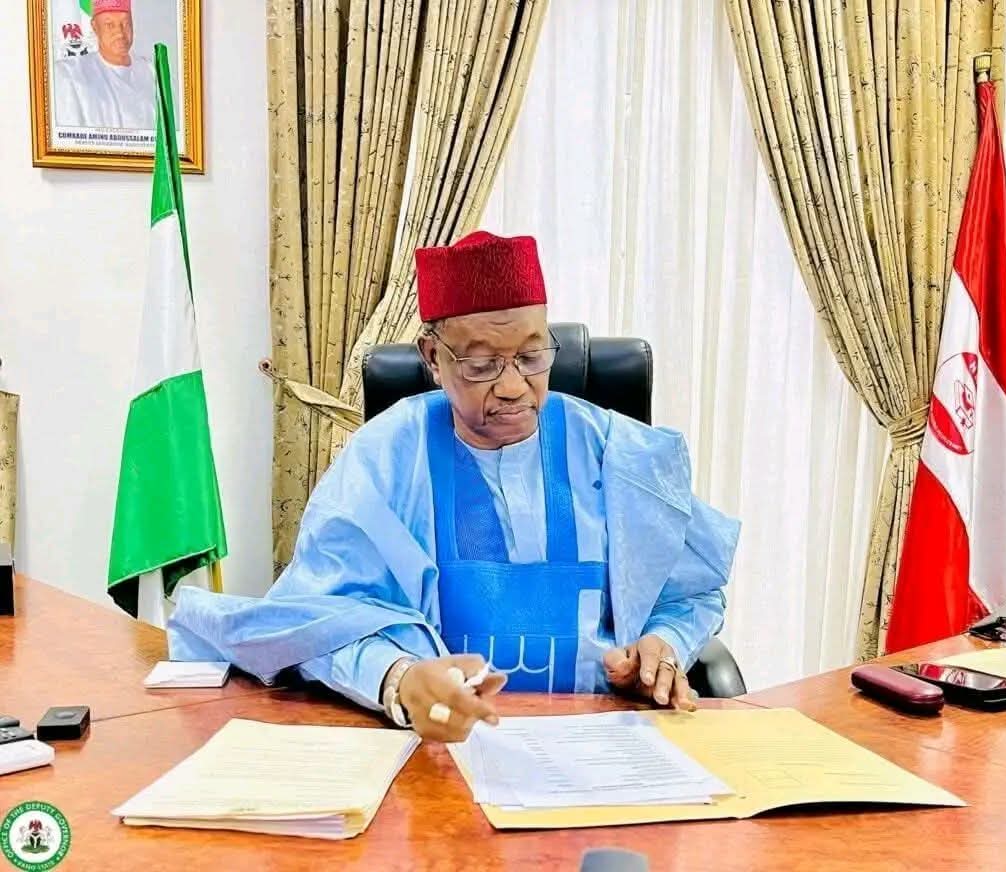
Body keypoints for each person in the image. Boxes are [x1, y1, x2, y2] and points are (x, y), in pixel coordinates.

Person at [168, 231, 740, 743]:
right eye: (482, 365)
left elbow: (689, 593)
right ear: (433, 359)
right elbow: (317, 619)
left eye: (532, 356)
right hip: (434, 747)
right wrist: (399, 679)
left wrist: (661, 646)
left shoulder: (619, 450)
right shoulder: (386, 456)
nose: (514, 386)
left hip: (600, 740)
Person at [52, 0, 156, 129]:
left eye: (125, 23)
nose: (120, 33)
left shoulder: (151, 71)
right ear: (95, 27)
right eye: (110, 25)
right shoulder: (70, 75)